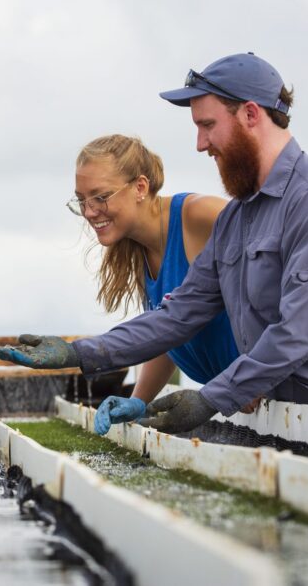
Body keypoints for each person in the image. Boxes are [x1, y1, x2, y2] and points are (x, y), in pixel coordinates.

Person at [0, 53, 308, 433]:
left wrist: (210, 399)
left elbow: (299, 333)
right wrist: (78, 354)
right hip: (292, 427)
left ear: (250, 114)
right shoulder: (236, 218)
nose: (200, 144)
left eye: (207, 125)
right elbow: (177, 315)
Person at [68, 135, 238, 436]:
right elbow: (167, 334)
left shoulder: (201, 216)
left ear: (140, 187)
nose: (89, 212)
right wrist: (138, 401)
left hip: (283, 398)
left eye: (101, 197)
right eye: (82, 200)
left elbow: (281, 284)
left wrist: (249, 377)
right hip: (236, 402)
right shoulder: (135, 247)